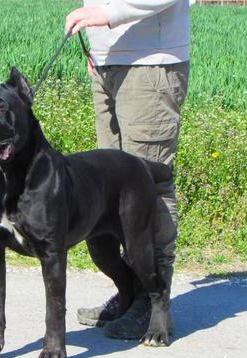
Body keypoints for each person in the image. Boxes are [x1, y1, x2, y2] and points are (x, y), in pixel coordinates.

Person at [65, 0, 190, 340]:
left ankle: (153, 304)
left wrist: (105, 15)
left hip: (150, 62)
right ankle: (131, 293)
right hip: (108, 62)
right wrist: (100, 49)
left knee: (150, 181)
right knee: (112, 185)